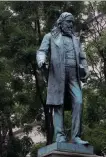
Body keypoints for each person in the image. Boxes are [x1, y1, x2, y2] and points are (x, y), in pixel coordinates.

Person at [36, 12, 90, 145]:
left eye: (72, 22)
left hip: (73, 76)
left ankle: (76, 136)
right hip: (57, 75)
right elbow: (41, 51)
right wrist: (42, 61)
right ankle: (60, 137)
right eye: (68, 22)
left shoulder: (75, 40)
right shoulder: (51, 37)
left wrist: (86, 69)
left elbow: (82, 57)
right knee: (58, 105)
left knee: (78, 102)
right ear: (61, 23)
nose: (71, 25)